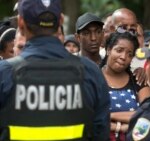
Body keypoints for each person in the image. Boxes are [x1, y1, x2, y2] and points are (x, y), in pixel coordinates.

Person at [0, 0, 110, 140]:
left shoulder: (4, 73)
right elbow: (101, 132)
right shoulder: (91, 72)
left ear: (21, 23)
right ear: (61, 20)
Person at [100, 31, 150, 141]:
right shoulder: (94, 78)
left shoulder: (138, 80)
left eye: (129, 54)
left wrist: (110, 117)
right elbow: (91, 116)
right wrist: (131, 119)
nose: (123, 57)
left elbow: (148, 115)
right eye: (119, 50)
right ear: (108, 50)